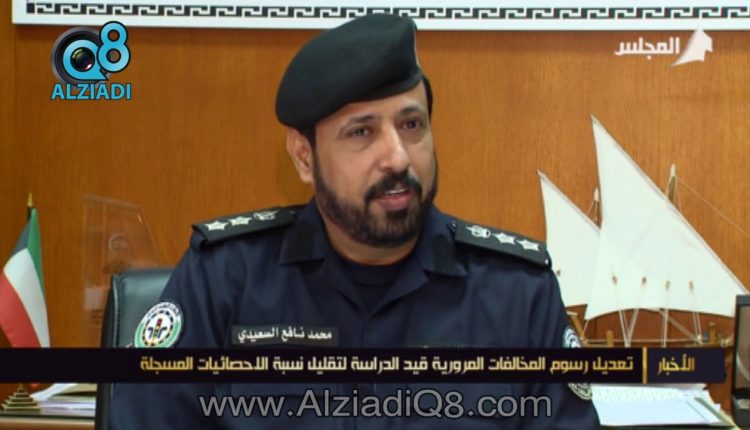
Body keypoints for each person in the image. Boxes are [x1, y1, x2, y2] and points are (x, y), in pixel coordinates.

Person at [109, 13, 600, 429]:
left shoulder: (517, 294)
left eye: (411, 125)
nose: (397, 157)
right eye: (361, 132)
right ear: (304, 157)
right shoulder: (224, 280)